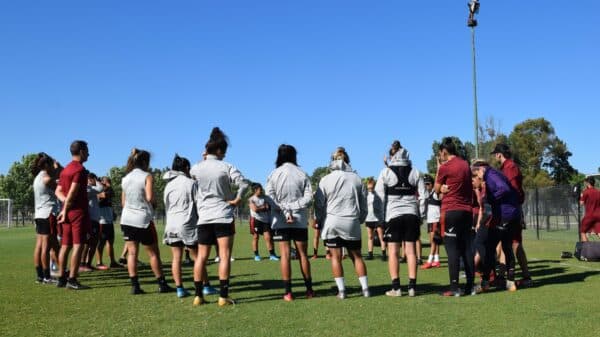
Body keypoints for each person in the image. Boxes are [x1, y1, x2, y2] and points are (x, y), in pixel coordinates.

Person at [190, 127, 249, 307]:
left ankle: (198, 296)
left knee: (201, 257)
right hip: (223, 215)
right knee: (224, 256)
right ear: (219, 150)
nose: (225, 154)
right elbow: (244, 183)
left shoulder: (196, 168)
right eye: (223, 151)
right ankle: (223, 297)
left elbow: (193, 182)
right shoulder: (226, 166)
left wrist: (203, 159)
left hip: (204, 218)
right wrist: (237, 198)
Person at [315, 147, 370, 299]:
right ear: (347, 160)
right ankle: (365, 289)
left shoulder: (325, 179)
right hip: (351, 220)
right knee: (357, 256)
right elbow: (364, 204)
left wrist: (318, 220)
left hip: (332, 221)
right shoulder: (357, 178)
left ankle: (342, 291)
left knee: (335, 257)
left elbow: (319, 204)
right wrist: (361, 219)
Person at [375, 141, 425, 297]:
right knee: (410, 252)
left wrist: (380, 218)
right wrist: (421, 215)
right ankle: (412, 287)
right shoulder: (415, 172)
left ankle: (396, 287)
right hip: (411, 215)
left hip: (393, 216)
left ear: (392, 155)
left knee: (393, 252)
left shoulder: (386, 172)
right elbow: (423, 196)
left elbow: (379, 198)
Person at [163, 154, 216, 298]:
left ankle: (179, 289)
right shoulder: (191, 183)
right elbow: (198, 203)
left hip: (171, 224)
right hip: (187, 223)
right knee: (197, 257)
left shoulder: (168, 186)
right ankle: (206, 286)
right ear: (186, 168)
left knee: (176, 257)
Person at [266, 144, 314, 301]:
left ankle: (288, 292)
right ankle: (309, 291)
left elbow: (270, 198)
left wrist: (285, 209)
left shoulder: (273, 174)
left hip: (280, 220)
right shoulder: (302, 173)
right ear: (294, 156)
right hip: (299, 219)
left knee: (285, 255)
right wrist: (293, 208)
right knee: (303, 255)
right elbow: (308, 198)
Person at [120, 148, 172, 295]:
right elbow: (149, 197)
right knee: (153, 254)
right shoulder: (147, 176)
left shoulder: (125, 178)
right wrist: (154, 204)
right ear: (144, 162)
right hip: (143, 219)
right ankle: (162, 284)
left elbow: (123, 203)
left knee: (131, 254)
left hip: (127, 219)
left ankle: (135, 286)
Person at [434, 137, 475, 296]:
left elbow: (437, 189)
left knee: (452, 249)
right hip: (467, 211)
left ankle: (454, 288)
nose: (440, 157)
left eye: (440, 154)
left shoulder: (445, 167)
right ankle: (470, 286)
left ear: (444, 152)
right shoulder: (465, 164)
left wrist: (442, 189)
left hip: (451, 210)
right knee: (467, 249)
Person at [471, 161, 520, 292]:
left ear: (481, 169)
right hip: (512, 214)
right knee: (506, 246)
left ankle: (485, 283)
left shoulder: (491, 175)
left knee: (489, 247)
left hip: (504, 215)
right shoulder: (495, 174)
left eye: (477, 175)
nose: (479, 179)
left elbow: (504, 188)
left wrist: (490, 198)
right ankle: (510, 282)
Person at [490, 143, 532, 287]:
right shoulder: (505, 168)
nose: (495, 156)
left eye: (495, 153)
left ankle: (526, 277)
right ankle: (502, 276)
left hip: (511, 211)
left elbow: (512, 190)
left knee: (515, 243)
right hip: (506, 210)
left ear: (499, 154)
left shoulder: (510, 167)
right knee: (504, 242)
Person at [55, 140, 91, 290]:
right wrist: (67, 207)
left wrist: (64, 208)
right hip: (77, 213)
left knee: (65, 245)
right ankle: (72, 279)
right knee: (78, 245)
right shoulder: (80, 170)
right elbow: (72, 193)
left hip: (67, 212)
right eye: (87, 150)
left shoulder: (65, 170)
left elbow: (58, 192)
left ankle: (61, 278)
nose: (89, 154)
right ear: (81, 151)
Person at [32, 152, 61, 284]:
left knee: (40, 246)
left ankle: (41, 275)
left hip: (39, 214)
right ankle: (47, 276)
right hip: (47, 213)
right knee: (46, 247)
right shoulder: (47, 178)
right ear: (47, 165)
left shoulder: (37, 177)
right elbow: (58, 187)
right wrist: (57, 168)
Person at [248, 183, 279, 261]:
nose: (261, 190)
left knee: (268, 237)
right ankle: (256, 255)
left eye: (261, 189)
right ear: (255, 190)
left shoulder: (266, 198)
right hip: (255, 220)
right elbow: (255, 209)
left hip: (266, 220)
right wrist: (264, 207)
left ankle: (272, 255)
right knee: (256, 237)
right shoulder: (251, 199)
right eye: (260, 189)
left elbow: (273, 206)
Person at [81, 173, 103, 271]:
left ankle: (88, 264)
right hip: (90, 220)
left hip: (95, 220)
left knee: (93, 243)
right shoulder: (87, 188)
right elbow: (101, 188)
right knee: (87, 243)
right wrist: (95, 181)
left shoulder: (91, 190)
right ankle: (82, 264)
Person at [97, 176, 119, 269]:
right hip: (102, 221)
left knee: (110, 242)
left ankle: (112, 262)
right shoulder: (98, 193)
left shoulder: (109, 191)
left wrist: (112, 212)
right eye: (106, 182)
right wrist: (106, 186)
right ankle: (99, 262)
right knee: (101, 242)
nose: (108, 183)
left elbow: (111, 194)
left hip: (109, 221)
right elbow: (105, 195)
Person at [421, 175, 442, 269]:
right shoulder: (429, 193)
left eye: (428, 184)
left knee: (433, 241)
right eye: (425, 184)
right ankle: (437, 260)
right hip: (430, 220)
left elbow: (438, 177)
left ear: (432, 184)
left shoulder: (435, 193)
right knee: (433, 241)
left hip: (435, 220)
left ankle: (429, 261)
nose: (426, 186)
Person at [365, 177, 386, 261]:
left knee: (381, 237)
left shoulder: (379, 195)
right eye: (369, 188)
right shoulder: (366, 195)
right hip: (368, 218)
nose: (370, 189)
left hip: (378, 219)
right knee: (370, 237)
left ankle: (384, 254)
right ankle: (370, 254)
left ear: (374, 186)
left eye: (371, 188)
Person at [580, 176, 600, 242]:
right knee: (599, 232)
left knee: (583, 232)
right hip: (598, 215)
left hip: (590, 215)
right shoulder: (598, 192)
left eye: (586, 182)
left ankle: (587, 249)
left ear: (588, 183)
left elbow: (581, 203)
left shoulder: (586, 192)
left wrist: (581, 197)